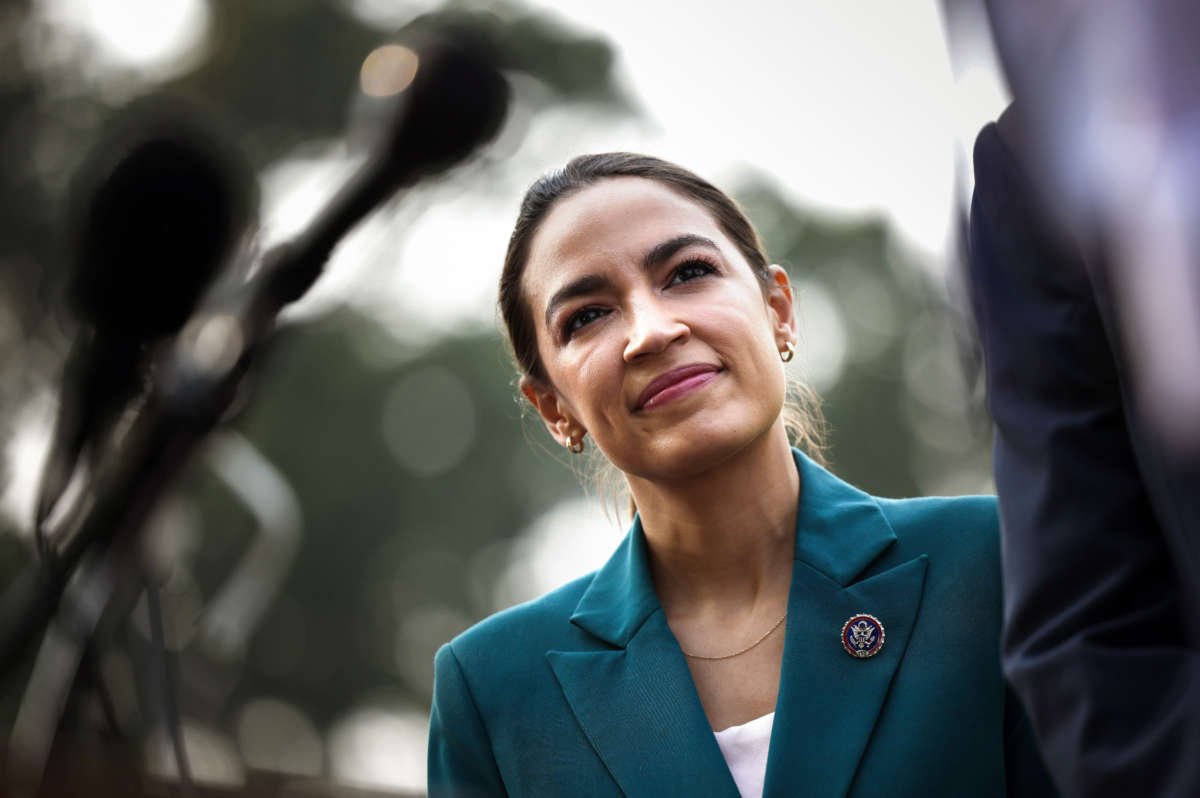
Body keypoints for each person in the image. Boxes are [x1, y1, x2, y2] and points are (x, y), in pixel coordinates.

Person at [427, 153, 1056, 797]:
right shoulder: (492, 691)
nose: (652, 330)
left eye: (688, 272)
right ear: (554, 407)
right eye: (587, 316)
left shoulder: (994, 564)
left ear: (779, 309)